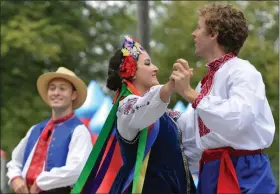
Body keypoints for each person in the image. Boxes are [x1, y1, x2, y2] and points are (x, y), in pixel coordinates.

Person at [170, 3, 276, 194]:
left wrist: (189, 93)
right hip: (211, 172)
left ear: (214, 34)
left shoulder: (243, 71)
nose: (194, 33)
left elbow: (237, 118)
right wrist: (156, 107)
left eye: (199, 27)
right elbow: (192, 135)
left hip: (244, 172)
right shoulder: (207, 82)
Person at [71, 36, 199, 194]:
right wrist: (171, 86)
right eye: (147, 63)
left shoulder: (166, 115)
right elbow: (144, 110)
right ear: (131, 72)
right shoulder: (127, 107)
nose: (155, 68)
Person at [6, 67, 93, 194]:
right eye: (52, 88)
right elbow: (15, 161)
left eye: (62, 88)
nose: (56, 92)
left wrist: (41, 183)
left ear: (73, 95)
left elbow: (78, 169)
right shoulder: (35, 129)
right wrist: (15, 178)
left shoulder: (79, 130)